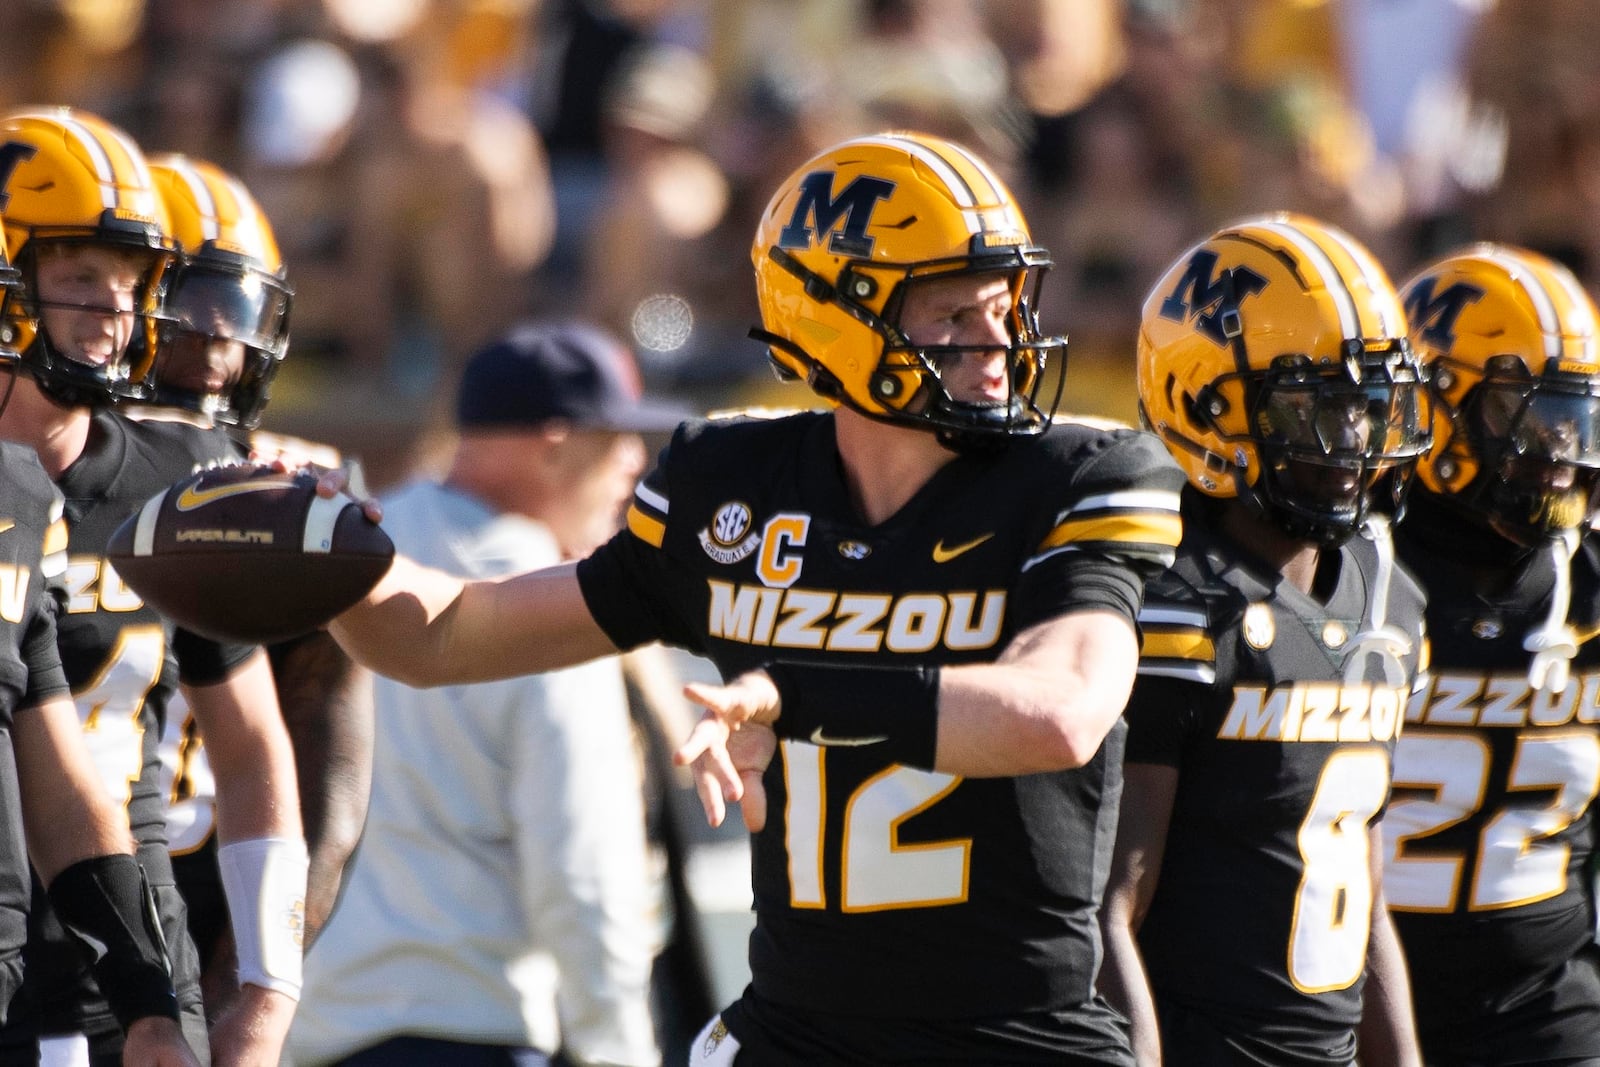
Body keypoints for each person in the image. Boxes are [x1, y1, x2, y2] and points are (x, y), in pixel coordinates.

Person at [318, 131, 1187, 1063]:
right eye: (950, 313)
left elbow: (1060, 712)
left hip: (1016, 1036)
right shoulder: (736, 485)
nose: (997, 343)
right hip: (798, 1035)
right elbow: (448, 636)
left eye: (1002, 303)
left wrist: (798, 694)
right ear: (837, 321)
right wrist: (322, 548)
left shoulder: (1079, 474)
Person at [0, 106, 305, 1067]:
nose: (113, 312)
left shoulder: (183, 482)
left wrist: (264, 986)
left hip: (123, 969)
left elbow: (256, 748)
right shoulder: (12, 495)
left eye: (130, 284)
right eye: (80, 277)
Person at [290, 320, 675, 1067]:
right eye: (617, 439)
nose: (635, 464)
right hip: (475, 1030)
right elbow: (584, 872)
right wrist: (618, 1050)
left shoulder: (345, 545)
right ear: (555, 444)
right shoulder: (542, 597)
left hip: (312, 1032)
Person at [1099, 213, 1430, 1066]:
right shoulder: (1172, 601)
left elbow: (1365, 900)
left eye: (1363, 407)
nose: (1353, 440)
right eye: (1314, 407)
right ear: (1201, 401)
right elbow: (1107, 908)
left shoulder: (1386, 594)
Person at [136, 151, 374, 1016]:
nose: (218, 340)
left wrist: (247, 991)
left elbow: (326, 792)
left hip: (197, 909)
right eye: (188, 305)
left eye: (235, 309)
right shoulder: (30, 487)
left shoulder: (281, 500)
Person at [1385, 243, 1600, 1065]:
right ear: (1435, 401)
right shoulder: (1349, 567)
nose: (1558, 449)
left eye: (1572, 414)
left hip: (1542, 1009)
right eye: (1522, 409)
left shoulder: (1586, 577)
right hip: (1341, 990)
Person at [0, 222, 199, 1067]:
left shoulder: (16, 494)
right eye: (80, 277)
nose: (112, 310)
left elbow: (59, 775)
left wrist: (149, 1006)